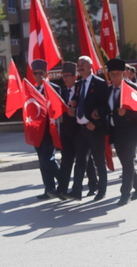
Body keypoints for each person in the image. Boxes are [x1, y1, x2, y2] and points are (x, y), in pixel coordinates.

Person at [66, 56, 109, 201]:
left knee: (98, 161)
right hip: (81, 129)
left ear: (91, 66)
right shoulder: (78, 84)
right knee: (80, 161)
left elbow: (105, 107)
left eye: (83, 64)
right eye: (78, 65)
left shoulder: (100, 84)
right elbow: (80, 102)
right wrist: (73, 106)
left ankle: (101, 190)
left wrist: (95, 123)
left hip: (94, 129)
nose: (80, 67)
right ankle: (76, 191)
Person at [106, 58, 137, 206]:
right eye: (111, 74)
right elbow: (106, 109)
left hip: (132, 132)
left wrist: (127, 113)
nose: (114, 76)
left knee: (128, 160)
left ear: (123, 73)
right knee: (126, 162)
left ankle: (125, 193)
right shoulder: (108, 90)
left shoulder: (133, 88)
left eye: (117, 73)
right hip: (116, 132)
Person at [55, 61, 96, 199]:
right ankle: (61, 189)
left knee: (84, 160)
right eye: (63, 76)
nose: (65, 78)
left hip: (81, 132)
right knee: (67, 160)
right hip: (67, 133)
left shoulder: (81, 89)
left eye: (68, 75)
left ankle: (92, 185)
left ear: (75, 76)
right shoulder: (63, 91)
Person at [30, 59, 61, 200]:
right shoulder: (32, 90)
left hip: (49, 130)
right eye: (35, 73)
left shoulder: (54, 88)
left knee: (47, 158)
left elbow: (57, 108)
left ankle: (63, 182)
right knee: (41, 160)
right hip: (37, 131)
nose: (38, 76)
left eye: (40, 73)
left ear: (46, 73)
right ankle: (49, 188)